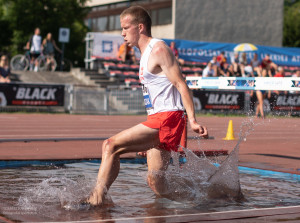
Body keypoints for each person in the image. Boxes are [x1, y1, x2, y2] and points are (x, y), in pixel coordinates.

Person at [87, 6, 208, 206]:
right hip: (158, 119)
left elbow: (181, 84)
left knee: (110, 145)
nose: (122, 33)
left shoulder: (158, 49)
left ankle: (97, 199)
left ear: (140, 27)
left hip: (168, 119)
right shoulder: (142, 54)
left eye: (126, 28)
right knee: (155, 182)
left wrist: (193, 120)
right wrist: (147, 137)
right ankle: (199, 198)